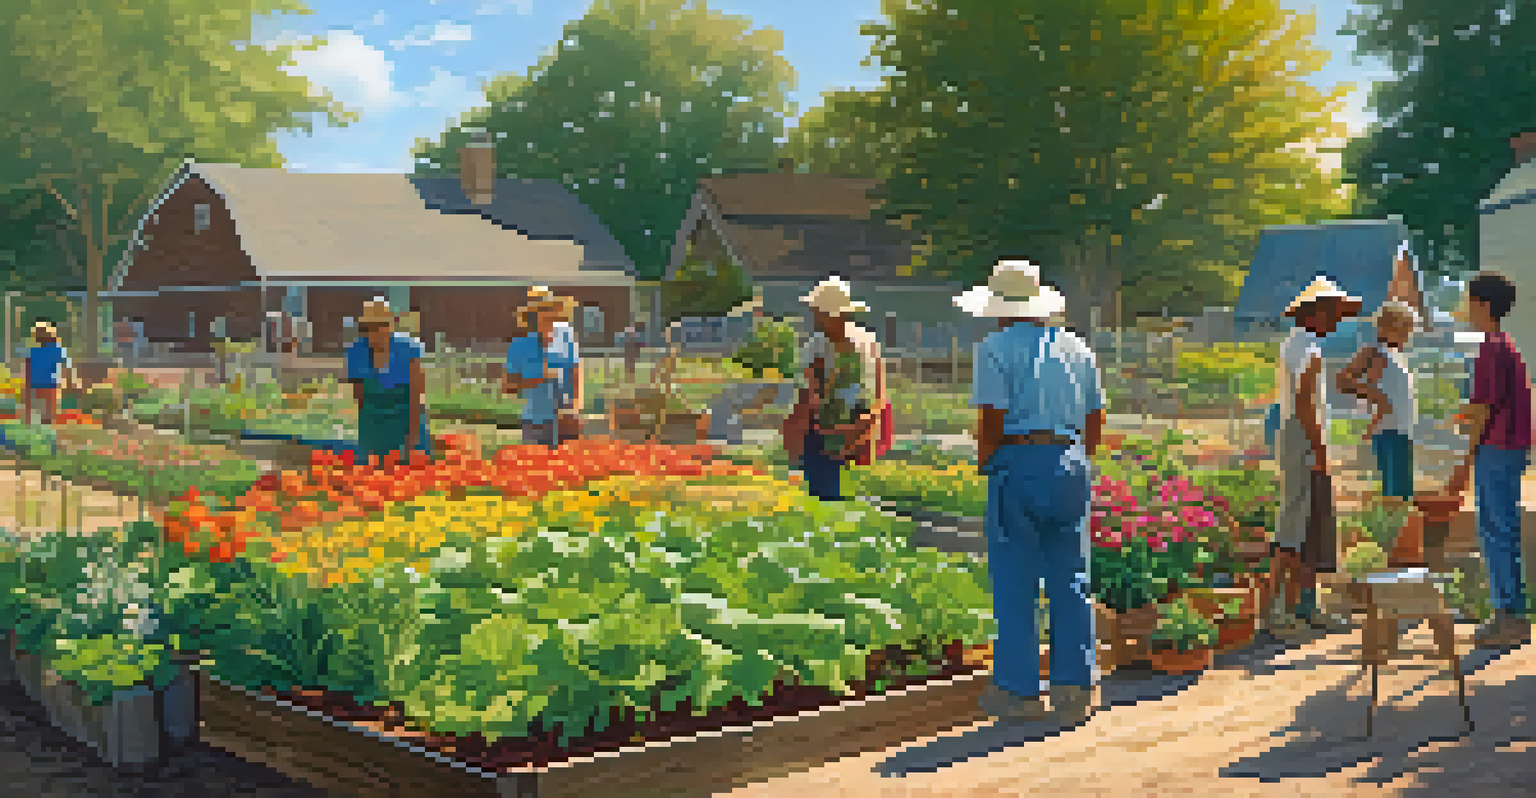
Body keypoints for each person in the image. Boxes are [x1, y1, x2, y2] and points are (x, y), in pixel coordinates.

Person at [954, 259, 1102, 727]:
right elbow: (1095, 419)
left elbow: (992, 420)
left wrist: (986, 462)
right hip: (1070, 461)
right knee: (1071, 578)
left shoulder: (994, 349)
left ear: (1000, 308)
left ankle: (1019, 691)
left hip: (1019, 461)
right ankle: (1075, 687)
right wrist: (1077, 458)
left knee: (1016, 583)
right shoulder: (1077, 348)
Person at [1444, 272, 1532, 648]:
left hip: (1497, 449)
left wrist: (1462, 466)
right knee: (1502, 528)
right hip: (1509, 447)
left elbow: (1482, 410)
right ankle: (1510, 612)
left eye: (1468, 299)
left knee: (1496, 530)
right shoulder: (1504, 346)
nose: (1464, 306)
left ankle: (1509, 615)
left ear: (1482, 304)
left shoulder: (1491, 348)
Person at [1273, 277, 1362, 637]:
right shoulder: (1307, 348)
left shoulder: (1296, 344)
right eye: (1334, 313)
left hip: (1298, 435)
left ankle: (1307, 605)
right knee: (1295, 523)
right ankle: (1281, 609)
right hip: (1303, 437)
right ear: (1317, 314)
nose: (1337, 321)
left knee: (1310, 521)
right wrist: (1320, 447)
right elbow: (1305, 404)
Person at [781, 276, 885, 501]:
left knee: (826, 500)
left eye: (819, 312)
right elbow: (878, 392)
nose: (816, 318)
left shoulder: (818, 346)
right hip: (856, 429)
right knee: (849, 504)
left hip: (830, 434)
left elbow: (810, 396)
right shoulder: (867, 341)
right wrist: (866, 428)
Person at [1337, 300, 1420, 503]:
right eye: (1403, 328)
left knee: (1401, 488)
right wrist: (1377, 398)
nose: (1407, 334)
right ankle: (1393, 531)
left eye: (1408, 329)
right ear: (1385, 327)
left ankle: (1397, 530)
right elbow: (1344, 379)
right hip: (1388, 430)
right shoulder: (1375, 351)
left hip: (1401, 430)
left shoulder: (1395, 354)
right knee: (1395, 491)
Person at [345, 299, 432, 466]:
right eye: (369, 328)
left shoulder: (409, 350)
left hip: (405, 421)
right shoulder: (356, 351)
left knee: (411, 474)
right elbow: (360, 398)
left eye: (380, 327)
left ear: (390, 327)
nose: (374, 333)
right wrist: (369, 436)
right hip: (374, 423)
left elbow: (416, 397)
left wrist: (411, 441)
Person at [503, 288, 582, 449]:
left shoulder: (566, 336)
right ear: (533, 316)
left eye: (551, 310)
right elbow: (509, 387)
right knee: (536, 466)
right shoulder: (519, 345)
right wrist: (538, 378)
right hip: (536, 421)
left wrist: (575, 408)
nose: (549, 315)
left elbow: (575, 373)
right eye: (543, 310)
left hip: (564, 419)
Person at [24, 321, 76, 425]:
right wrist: (69, 381)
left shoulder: (35, 351)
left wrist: (27, 385)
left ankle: (37, 426)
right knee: (47, 413)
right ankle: (43, 427)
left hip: (41, 384)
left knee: (40, 412)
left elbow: (28, 368)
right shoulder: (56, 349)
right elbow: (66, 367)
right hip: (48, 384)